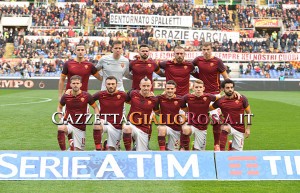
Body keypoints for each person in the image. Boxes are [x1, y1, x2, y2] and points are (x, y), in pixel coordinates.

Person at [58, 43, 102, 143]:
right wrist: (60, 95)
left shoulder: (89, 65)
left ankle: (79, 142)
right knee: (67, 120)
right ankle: (71, 142)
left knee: (82, 121)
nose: (80, 51)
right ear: (75, 51)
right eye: (78, 50)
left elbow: (100, 77)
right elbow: (61, 79)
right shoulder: (68, 64)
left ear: (85, 51)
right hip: (69, 97)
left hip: (83, 98)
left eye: (82, 49)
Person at [193, 42, 229, 150]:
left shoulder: (217, 61)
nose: (206, 51)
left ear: (211, 49)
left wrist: (227, 91)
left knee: (216, 120)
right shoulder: (198, 60)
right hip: (201, 95)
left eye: (208, 49)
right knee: (197, 120)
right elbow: (189, 68)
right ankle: (196, 143)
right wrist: (196, 76)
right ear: (201, 50)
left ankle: (216, 144)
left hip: (214, 95)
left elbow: (226, 77)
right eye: (204, 49)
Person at [57, 75, 101, 151]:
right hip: (69, 123)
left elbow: (95, 107)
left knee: (79, 151)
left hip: (80, 127)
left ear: (81, 84)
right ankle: (63, 153)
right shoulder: (66, 96)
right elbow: (59, 107)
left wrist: (97, 118)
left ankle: (72, 144)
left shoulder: (86, 95)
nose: (75, 85)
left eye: (77, 83)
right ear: (70, 85)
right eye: (73, 83)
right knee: (61, 127)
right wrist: (61, 117)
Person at [210, 79, 252, 151]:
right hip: (228, 125)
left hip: (240, 128)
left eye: (232, 87)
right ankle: (222, 152)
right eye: (227, 88)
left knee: (237, 153)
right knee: (225, 127)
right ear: (223, 89)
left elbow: (249, 113)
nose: (230, 89)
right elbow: (209, 109)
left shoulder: (242, 98)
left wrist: (248, 128)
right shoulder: (220, 101)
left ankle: (231, 146)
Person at [180, 79, 218, 151]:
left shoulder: (208, 96)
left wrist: (210, 108)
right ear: (193, 88)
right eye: (196, 87)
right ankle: (185, 149)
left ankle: (194, 147)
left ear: (203, 88)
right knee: (185, 129)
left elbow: (219, 99)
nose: (198, 89)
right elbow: (182, 106)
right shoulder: (187, 97)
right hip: (191, 123)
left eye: (200, 87)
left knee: (199, 152)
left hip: (202, 127)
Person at [122, 77, 158, 151]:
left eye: (148, 86)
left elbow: (158, 111)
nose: (146, 88)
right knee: (126, 127)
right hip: (132, 124)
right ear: (140, 85)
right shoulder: (133, 93)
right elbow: (126, 100)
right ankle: (127, 152)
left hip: (144, 128)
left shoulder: (154, 100)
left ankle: (141, 146)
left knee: (141, 152)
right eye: (144, 86)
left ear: (151, 86)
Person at [92, 76, 127, 151]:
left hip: (117, 125)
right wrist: (96, 109)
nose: (111, 86)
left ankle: (107, 145)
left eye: (113, 84)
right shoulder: (100, 94)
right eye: (109, 84)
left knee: (113, 150)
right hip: (104, 122)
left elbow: (134, 102)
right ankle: (98, 150)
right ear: (105, 85)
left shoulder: (123, 95)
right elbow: (87, 99)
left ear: (116, 84)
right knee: (97, 124)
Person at [154, 80, 184, 151]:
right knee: (161, 129)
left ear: (175, 89)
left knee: (173, 151)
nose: (170, 90)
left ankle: (168, 146)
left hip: (176, 129)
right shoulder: (160, 98)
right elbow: (155, 108)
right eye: (168, 88)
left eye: (171, 89)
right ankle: (162, 152)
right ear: (165, 89)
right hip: (165, 126)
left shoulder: (180, 99)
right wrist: (160, 113)